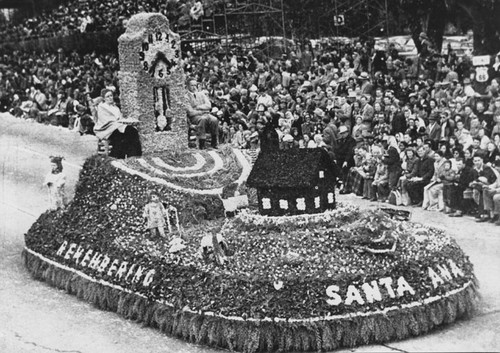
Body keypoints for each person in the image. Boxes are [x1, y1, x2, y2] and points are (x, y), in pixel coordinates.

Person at [94, 89, 142, 159]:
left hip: (118, 126)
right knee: (120, 136)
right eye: (107, 96)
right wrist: (118, 123)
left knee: (132, 131)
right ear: (104, 98)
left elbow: (119, 118)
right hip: (107, 129)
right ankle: (116, 155)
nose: (110, 98)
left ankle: (134, 154)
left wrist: (124, 121)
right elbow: (104, 120)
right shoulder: (102, 107)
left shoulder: (115, 107)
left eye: (111, 96)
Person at [186, 78, 219, 150]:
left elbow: (209, 105)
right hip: (195, 117)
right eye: (192, 85)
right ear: (188, 86)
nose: (194, 87)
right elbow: (191, 112)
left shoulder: (201, 94)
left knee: (214, 119)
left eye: (195, 85)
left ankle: (214, 141)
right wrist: (202, 111)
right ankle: (202, 143)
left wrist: (198, 107)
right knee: (203, 120)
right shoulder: (186, 97)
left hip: (206, 114)